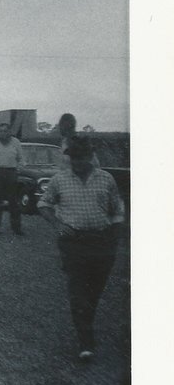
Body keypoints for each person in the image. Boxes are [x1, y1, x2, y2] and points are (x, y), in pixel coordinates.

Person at [37, 134, 125, 361]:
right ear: (70, 159)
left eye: (83, 157)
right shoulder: (59, 180)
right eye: (74, 158)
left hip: (102, 242)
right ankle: (86, 342)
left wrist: (114, 238)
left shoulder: (106, 179)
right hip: (73, 243)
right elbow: (44, 204)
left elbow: (116, 211)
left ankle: (86, 324)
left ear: (91, 157)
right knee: (78, 293)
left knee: (94, 292)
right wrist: (58, 224)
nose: (79, 162)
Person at [0, 122, 25, 235]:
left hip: (11, 172)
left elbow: (21, 159)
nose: (2, 133)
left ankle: (16, 227)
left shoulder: (16, 142)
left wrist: (18, 170)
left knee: (14, 202)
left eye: (5, 131)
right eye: (0, 131)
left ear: (9, 132)